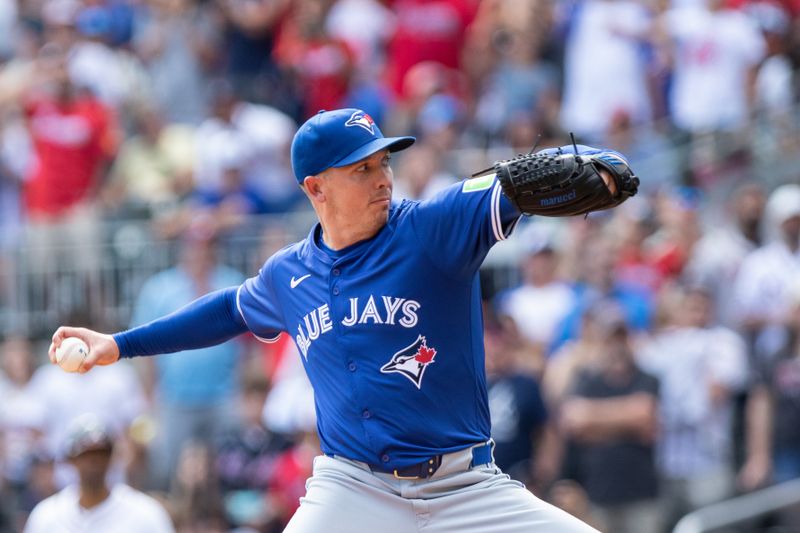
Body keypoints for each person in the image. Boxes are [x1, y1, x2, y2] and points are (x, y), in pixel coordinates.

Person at [49, 107, 632, 532]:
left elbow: (521, 184)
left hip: (466, 486)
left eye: (383, 162)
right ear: (315, 188)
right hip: (353, 490)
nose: (382, 177)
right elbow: (226, 310)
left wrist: (597, 169)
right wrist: (119, 345)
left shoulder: (432, 228)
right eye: (361, 169)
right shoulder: (288, 274)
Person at [24, 414, 174, 533]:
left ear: (112, 456)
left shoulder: (145, 513)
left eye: (101, 453)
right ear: (71, 459)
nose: (94, 461)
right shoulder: (46, 516)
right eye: (85, 454)